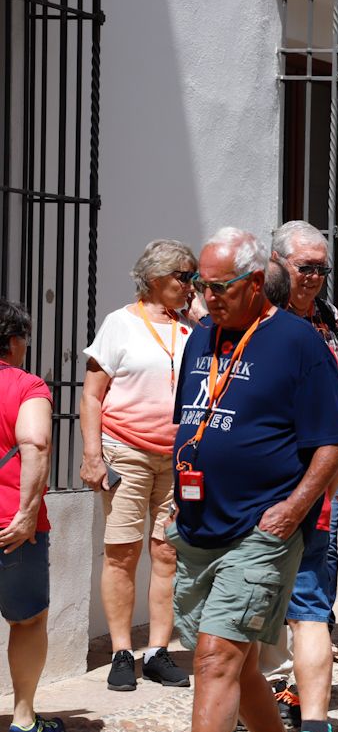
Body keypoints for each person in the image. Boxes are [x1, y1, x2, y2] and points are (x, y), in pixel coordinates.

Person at [169, 227, 338, 732]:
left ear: (254, 284)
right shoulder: (203, 335)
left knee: (216, 658)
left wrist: (295, 508)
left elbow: (335, 438)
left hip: (262, 528)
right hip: (201, 524)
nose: (206, 295)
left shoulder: (299, 342)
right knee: (240, 667)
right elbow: (192, 421)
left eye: (219, 286)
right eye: (200, 284)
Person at [80, 239, 196, 692]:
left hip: (177, 456)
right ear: (155, 278)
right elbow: (92, 394)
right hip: (125, 450)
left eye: (193, 278)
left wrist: (200, 317)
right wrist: (92, 455)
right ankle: (122, 652)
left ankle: (159, 650)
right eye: (183, 277)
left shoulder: (192, 328)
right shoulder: (119, 324)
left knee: (168, 551)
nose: (191, 286)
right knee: (123, 551)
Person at [265, 220, 338, 732]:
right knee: (252, 612)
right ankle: (236, 726)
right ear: (278, 265)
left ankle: (307, 716)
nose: (318, 279)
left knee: (312, 601)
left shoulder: (329, 321)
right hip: (267, 491)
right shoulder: (251, 325)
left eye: (324, 269)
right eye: (308, 268)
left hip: (316, 483)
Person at [0, 300, 65, 732]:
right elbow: (36, 445)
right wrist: (26, 515)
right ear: (16, 341)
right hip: (11, 527)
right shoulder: (27, 385)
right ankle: (23, 722)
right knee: (27, 620)